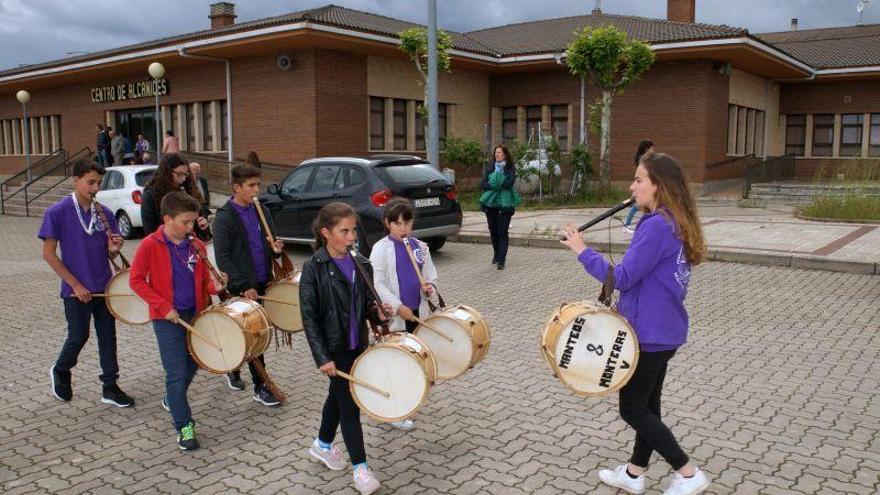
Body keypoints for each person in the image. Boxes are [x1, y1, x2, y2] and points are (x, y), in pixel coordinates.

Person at [560, 153, 710, 495]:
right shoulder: (672, 220)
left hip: (649, 335)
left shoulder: (657, 225)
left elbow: (623, 278)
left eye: (639, 180)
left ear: (659, 187)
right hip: (664, 332)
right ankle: (633, 472)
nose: (632, 186)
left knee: (632, 409)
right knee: (648, 408)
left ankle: (687, 473)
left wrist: (583, 251)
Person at [300, 202, 391, 495]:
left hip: (357, 343)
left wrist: (378, 312)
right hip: (334, 348)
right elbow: (309, 316)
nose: (352, 236)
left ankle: (322, 445)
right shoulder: (314, 267)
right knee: (350, 405)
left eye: (353, 230)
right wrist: (322, 357)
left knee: (336, 397)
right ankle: (361, 469)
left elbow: (365, 305)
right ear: (326, 233)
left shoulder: (361, 263)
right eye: (344, 231)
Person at [129, 191, 226, 451]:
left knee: (196, 361)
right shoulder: (150, 244)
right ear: (168, 219)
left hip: (196, 314)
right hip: (167, 319)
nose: (190, 227)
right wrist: (163, 307)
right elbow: (136, 280)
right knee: (176, 373)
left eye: (193, 222)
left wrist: (215, 286)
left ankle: (173, 396)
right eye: (185, 222)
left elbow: (204, 281)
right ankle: (184, 427)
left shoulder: (196, 245)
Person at [40, 157, 134, 408]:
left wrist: (114, 250)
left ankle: (110, 386)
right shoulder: (57, 212)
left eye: (99, 183)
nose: (95, 188)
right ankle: (61, 369)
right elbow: (48, 254)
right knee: (78, 336)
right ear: (76, 180)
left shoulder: (105, 214)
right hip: (76, 290)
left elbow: (108, 253)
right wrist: (75, 285)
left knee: (108, 337)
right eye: (90, 182)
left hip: (104, 287)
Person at [212, 164, 284, 406]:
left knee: (254, 334)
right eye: (251, 186)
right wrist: (243, 286)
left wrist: (275, 251)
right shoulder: (225, 218)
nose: (256, 190)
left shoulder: (261, 210)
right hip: (241, 286)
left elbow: (269, 245)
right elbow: (223, 258)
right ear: (236, 188)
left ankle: (233, 367)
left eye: (258, 184)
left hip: (262, 281)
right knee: (254, 334)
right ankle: (260, 386)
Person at [368, 197, 438, 431]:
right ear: (388, 223)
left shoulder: (420, 247)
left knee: (414, 360)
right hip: (396, 316)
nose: (403, 228)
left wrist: (429, 288)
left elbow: (430, 275)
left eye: (407, 223)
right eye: (397, 223)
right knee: (395, 362)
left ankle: (405, 403)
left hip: (418, 312)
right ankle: (392, 411)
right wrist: (398, 307)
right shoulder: (380, 249)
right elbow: (377, 284)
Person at [140, 154, 210, 241]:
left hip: (188, 248)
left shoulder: (187, 191)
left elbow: (198, 226)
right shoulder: (150, 195)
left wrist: (203, 227)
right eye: (180, 174)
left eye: (186, 174)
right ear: (167, 172)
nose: (183, 179)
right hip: (165, 248)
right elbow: (150, 231)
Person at [479, 144, 521, 270]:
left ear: (505, 154)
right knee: (493, 231)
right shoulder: (490, 166)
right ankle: (496, 253)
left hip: (505, 204)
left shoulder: (510, 168)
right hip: (490, 204)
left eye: (500, 152)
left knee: (502, 231)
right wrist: (495, 184)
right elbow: (483, 183)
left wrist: (495, 181)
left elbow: (509, 183)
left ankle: (501, 260)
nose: (497, 155)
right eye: (496, 153)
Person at [623, 140, 655, 234]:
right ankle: (627, 225)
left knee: (642, 206)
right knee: (636, 205)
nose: (653, 150)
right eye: (652, 148)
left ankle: (643, 225)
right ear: (647, 149)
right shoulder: (644, 159)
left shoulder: (643, 158)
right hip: (642, 184)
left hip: (643, 183)